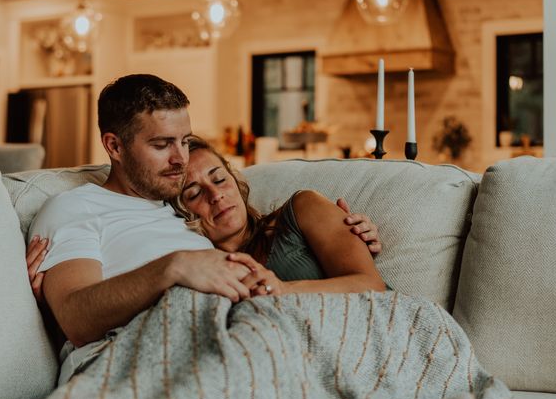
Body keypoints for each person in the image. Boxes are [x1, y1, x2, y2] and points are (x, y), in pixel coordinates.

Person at [27, 74, 381, 364]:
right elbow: (76, 318)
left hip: (242, 336)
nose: (180, 159)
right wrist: (175, 267)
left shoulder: (179, 215)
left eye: (184, 140)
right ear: (115, 146)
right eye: (163, 144)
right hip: (149, 354)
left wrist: (353, 235)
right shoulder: (75, 207)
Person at [173, 137, 385, 296]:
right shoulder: (203, 270)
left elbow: (372, 287)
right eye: (195, 193)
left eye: (219, 179)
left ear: (235, 180)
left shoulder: (304, 207)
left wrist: (283, 290)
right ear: (182, 212)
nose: (216, 195)